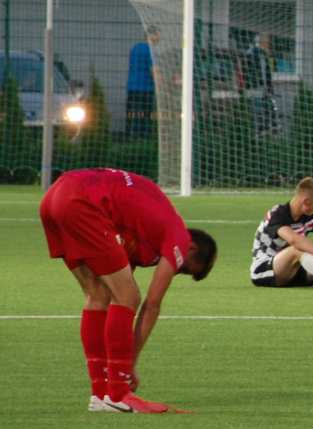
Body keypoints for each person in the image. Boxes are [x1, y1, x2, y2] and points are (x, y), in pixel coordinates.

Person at [39, 168, 218, 413]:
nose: (174, 271)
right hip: (80, 200)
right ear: (192, 247)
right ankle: (119, 392)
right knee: (129, 295)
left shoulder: (143, 229)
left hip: (54, 196)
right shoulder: (179, 236)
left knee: (98, 295)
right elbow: (152, 303)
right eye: (183, 269)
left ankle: (101, 394)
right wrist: (129, 363)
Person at [126, 25, 160, 137]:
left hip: (132, 87)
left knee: (132, 113)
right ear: (152, 35)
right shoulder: (150, 50)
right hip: (145, 88)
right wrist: (159, 84)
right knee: (146, 115)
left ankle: (130, 136)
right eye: (158, 35)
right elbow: (152, 70)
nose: (159, 38)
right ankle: (143, 137)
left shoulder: (135, 48)